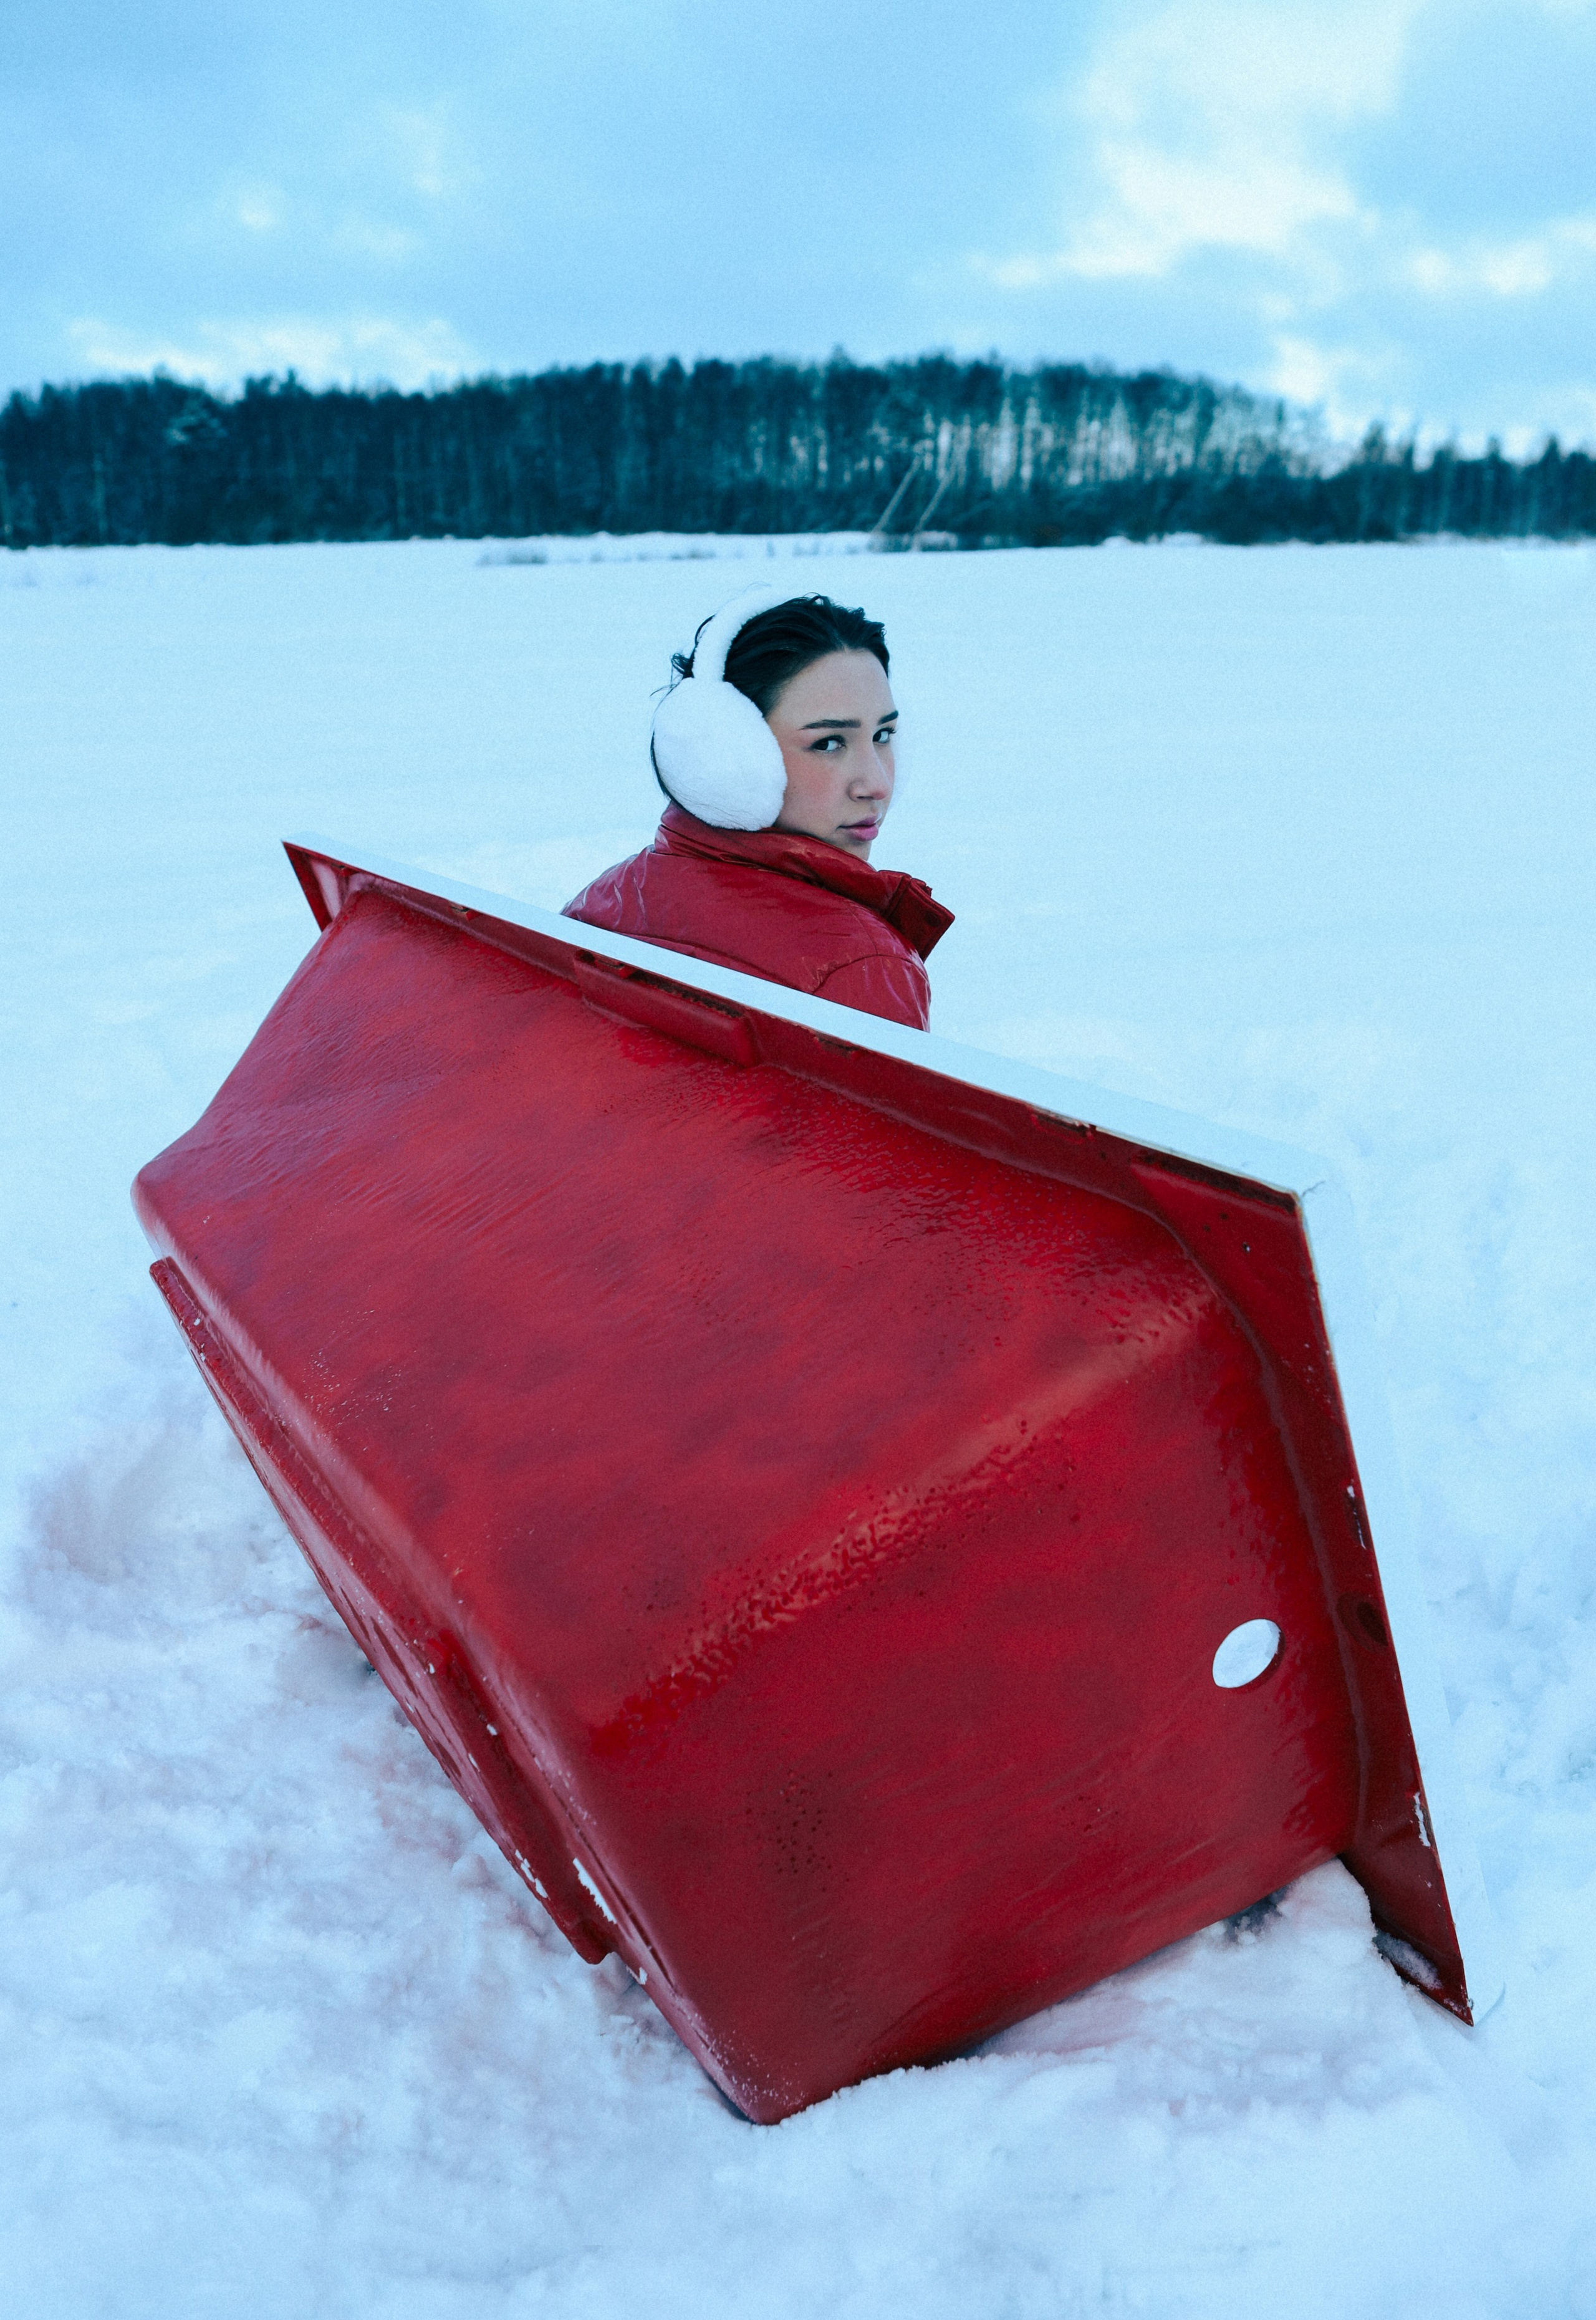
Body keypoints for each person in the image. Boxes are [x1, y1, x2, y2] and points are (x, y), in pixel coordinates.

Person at [562, 589, 952, 1029]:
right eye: (828, 743)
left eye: (883, 736)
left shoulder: (603, 901)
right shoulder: (862, 968)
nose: (877, 785)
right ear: (728, 758)